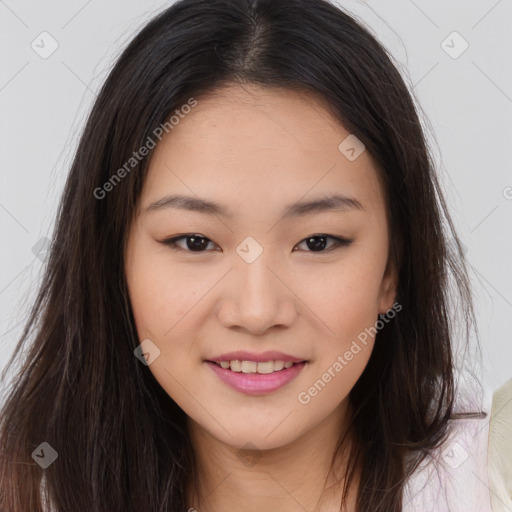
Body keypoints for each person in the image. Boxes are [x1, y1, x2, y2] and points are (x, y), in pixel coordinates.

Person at [0, 0, 510, 510]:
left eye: (318, 242)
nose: (257, 311)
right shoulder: (25, 491)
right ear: (113, 263)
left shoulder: (494, 474)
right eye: (195, 242)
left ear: (391, 270)